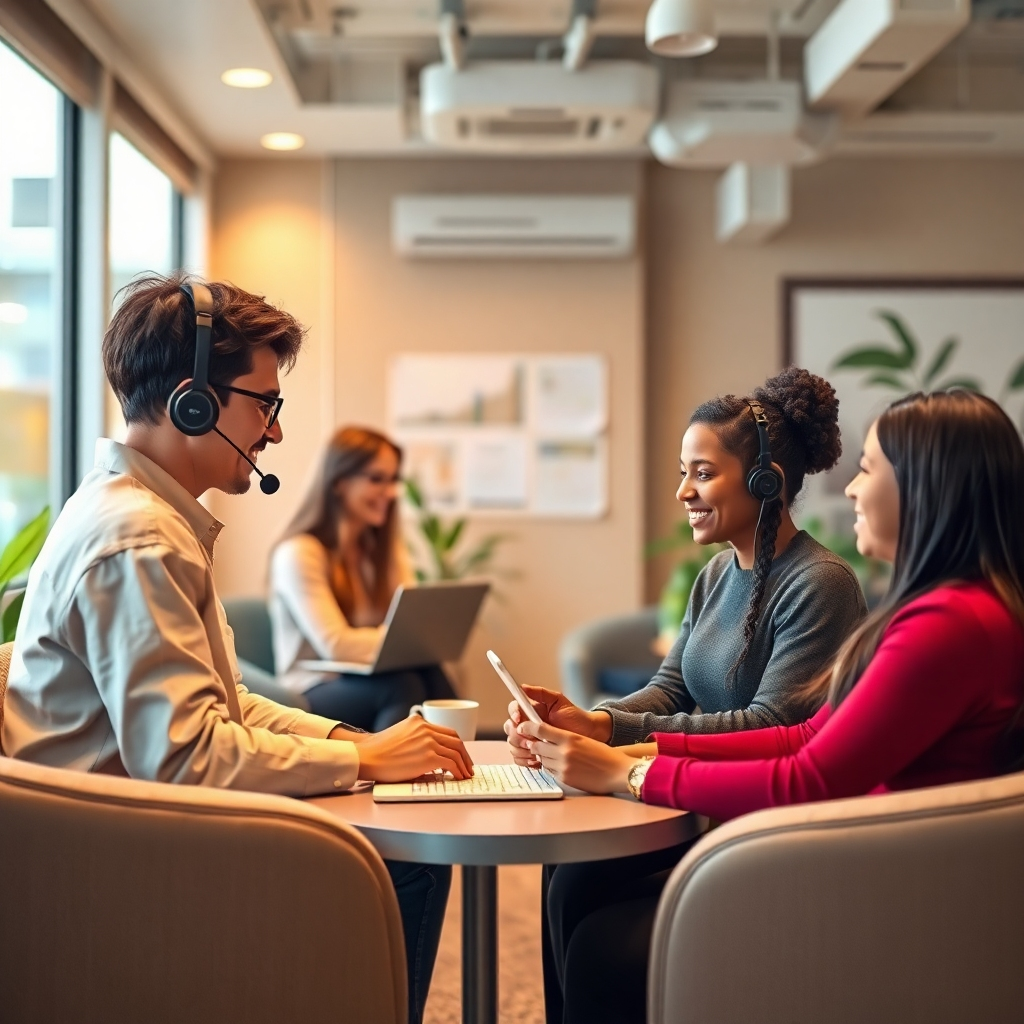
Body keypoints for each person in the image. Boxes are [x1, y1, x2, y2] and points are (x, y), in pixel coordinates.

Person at [2, 273, 468, 1024]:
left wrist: (359, 743)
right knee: (404, 861)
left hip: (134, 835)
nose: (275, 432)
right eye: (265, 404)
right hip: (118, 871)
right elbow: (187, 759)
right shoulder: (140, 540)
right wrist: (362, 761)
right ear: (194, 401)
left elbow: (230, 703)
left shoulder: (150, 518)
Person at [518, 389, 1024, 1024]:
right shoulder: (944, 612)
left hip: (876, 884)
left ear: (924, 486)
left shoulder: (946, 625)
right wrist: (619, 740)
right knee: (577, 882)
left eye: (868, 470)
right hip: (863, 858)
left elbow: (809, 772)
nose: (851, 491)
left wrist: (627, 771)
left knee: (604, 948)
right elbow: (805, 736)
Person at [504, 367, 867, 1022]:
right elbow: (670, 688)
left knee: (597, 945)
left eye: (701, 473)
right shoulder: (715, 574)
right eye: (683, 472)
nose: (683, 491)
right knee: (566, 874)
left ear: (766, 482)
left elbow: (772, 721)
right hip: (698, 809)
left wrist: (624, 751)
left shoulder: (821, 584)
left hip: (757, 833)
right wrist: (594, 721)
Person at [269, 427, 458, 731]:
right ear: (339, 482)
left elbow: (410, 625)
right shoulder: (298, 553)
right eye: (376, 479)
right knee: (401, 685)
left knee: (426, 670)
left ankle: (462, 766)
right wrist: (407, 642)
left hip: (372, 676)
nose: (392, 491)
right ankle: (393, 773)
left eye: (394, 479)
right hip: (313, 687)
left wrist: (416, 641)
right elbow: (336, 645)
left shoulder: (382, 551)